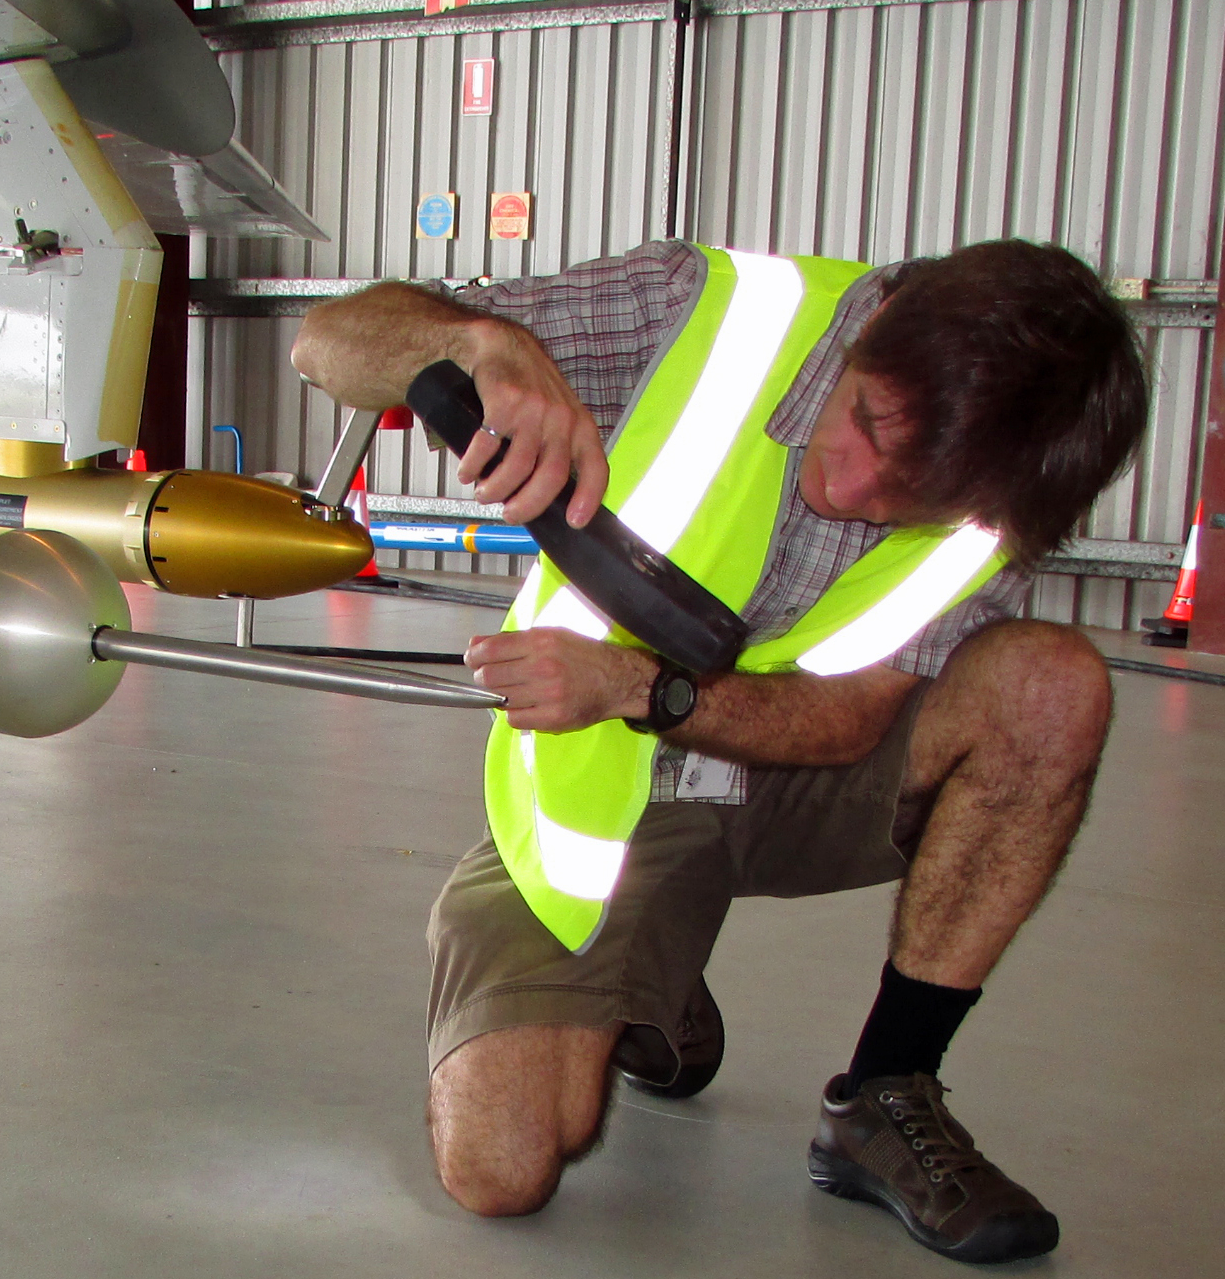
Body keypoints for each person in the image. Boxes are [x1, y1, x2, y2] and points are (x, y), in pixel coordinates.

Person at [290, 238, 1150, 1265]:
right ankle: (648, 962)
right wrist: (479, 344)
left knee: (1051, 685)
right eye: (868, 422)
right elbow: (324, 341)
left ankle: (886, 1090)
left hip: (796, 770)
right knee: (503, 1169)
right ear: (878, 318)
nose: (854, 484)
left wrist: (639, 687)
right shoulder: (705, 315)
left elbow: (849, 718)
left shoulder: (999, 487)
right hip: (607, 793)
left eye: (910, 493)